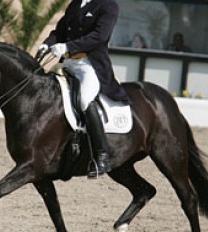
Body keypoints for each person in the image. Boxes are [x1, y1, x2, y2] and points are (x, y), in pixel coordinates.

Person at [37, 0, 130, 178]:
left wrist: (67, 46)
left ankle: (102, 156)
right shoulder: (75, 4)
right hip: (69, 63)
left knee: (84, 99)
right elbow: (60, 31)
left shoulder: (108, 6)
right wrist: (46, 44)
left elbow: (99, 36)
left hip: (90, 64)